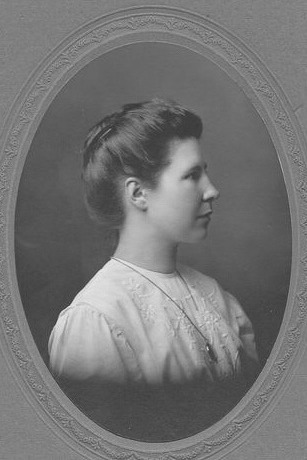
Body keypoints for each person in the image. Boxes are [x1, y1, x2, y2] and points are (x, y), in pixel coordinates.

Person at [48, 98, 259, 441]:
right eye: (192, 175)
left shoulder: (217, 297)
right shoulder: (97, 319)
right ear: (138, 194)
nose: (212, 190)